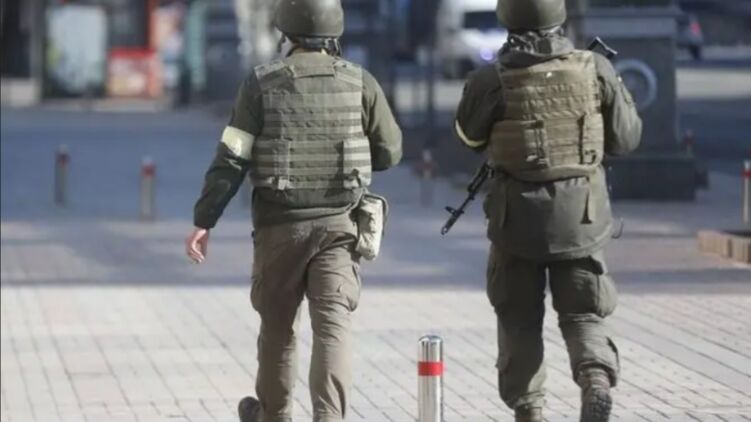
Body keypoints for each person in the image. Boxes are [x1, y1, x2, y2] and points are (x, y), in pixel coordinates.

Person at [184, 0, 402, 420]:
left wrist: (203, 220)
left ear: (285, 33)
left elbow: (232, 157)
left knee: (278, 331)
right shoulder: (360, 81)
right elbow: (390, 152)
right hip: (339, 227)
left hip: (279, 230)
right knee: (332, 329)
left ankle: (274, 415)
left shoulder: (261, 84)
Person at [453, 0, 642, 421]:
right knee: (583, 312)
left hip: (516, 223)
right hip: (582, 220)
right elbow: (627, 138)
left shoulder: (491, 78)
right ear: (559, 17)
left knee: (519, 318)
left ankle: (530, 409)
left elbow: (468, 136)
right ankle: (594, 378)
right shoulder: (594, 68)